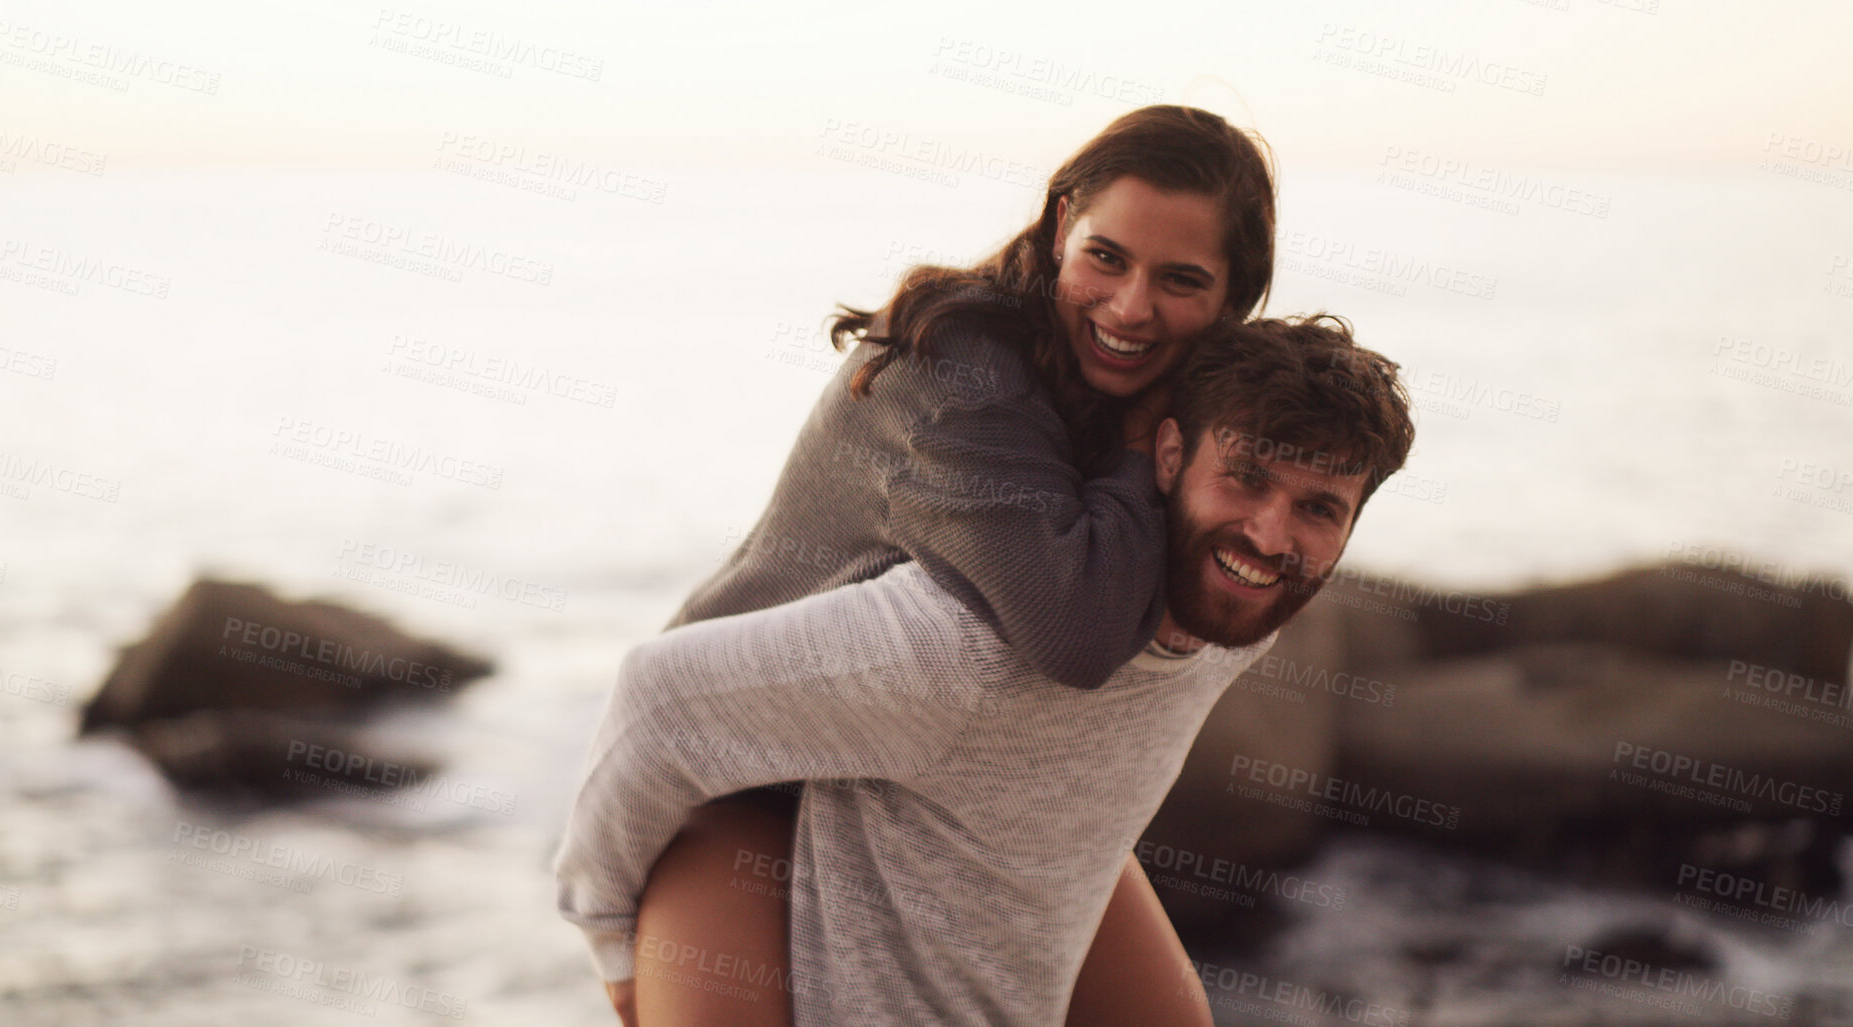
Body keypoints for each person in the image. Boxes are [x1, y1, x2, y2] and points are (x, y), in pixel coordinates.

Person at [582, 104, 1280, 1025]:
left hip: (948, 794)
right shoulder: (957, 368)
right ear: (1061, 226)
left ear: (1234, 297)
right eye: (1105, 257)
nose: (1128, 306)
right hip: (754, 778)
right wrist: (606, 934)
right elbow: (1073, 629)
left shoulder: (1176, 398)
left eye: (1180, 279)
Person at [554, 315, 1416, 1025]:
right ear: (1166, 457)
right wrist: (609, 944)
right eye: (1244, 479)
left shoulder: (1240, 615)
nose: (1268, 535)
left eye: (1317, 508)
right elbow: (658, 698)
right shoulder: (966, 648)